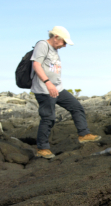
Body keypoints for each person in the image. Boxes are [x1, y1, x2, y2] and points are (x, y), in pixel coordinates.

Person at [31, 26, 101, 159]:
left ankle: (84, 134)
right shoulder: (42, 45)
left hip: (58, 88)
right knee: (48, 118)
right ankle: (42, 148)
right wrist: (48, 82)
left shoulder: (54, 49)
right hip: (44, 89)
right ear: (56, 37)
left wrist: (54, 85)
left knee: (76, 107)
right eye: (64, 42)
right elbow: (36, 65)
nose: (64, 45)